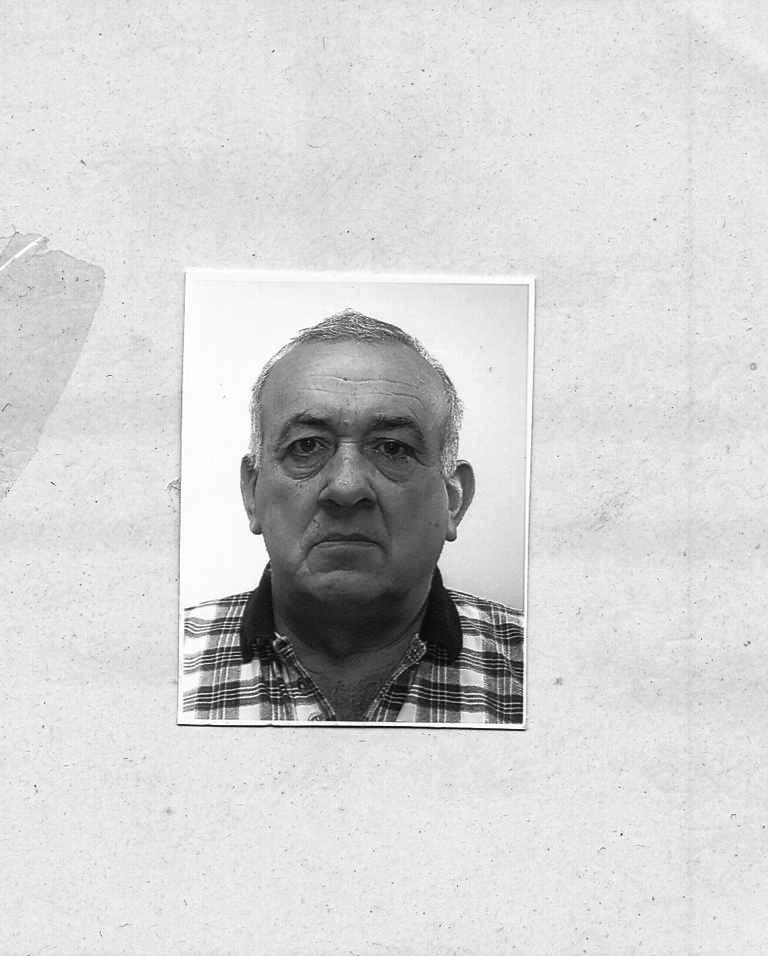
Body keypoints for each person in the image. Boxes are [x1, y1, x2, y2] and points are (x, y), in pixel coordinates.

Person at [182, 310, 524, 724]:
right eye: (307, 446)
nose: (346, 488)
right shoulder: (166, 665)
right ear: (252, 492)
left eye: (393, 449)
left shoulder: (537, 669)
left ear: (453, 500)